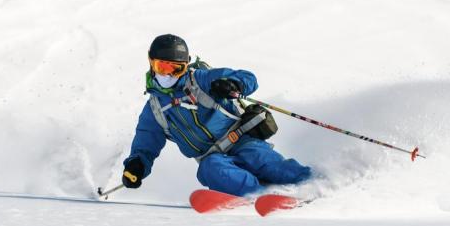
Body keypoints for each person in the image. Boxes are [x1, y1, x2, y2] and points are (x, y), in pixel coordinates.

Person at [121, 34, 311, 196]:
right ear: (151, 63)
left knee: (263, 161)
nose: (168, 75)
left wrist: (233, 84)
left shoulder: (201, 80)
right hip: (211, 157)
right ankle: (261, 195)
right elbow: (145, 142)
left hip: (241, 140)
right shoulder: (154, 108)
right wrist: (136, 165)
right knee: (210, 170)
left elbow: (248, 77)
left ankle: (315, 186)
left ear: (185, 67)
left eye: (176, 69)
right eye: (162, 67)